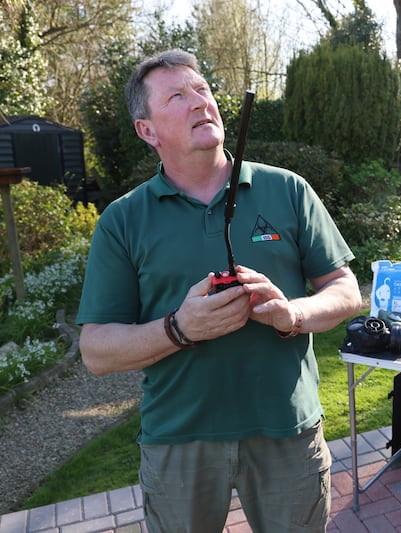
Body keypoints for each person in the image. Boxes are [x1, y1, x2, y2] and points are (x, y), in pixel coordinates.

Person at [77, 49, 362, 532]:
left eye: (203, 90)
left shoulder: (287, 190)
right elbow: (96, 351)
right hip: (178, 442)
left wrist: (291, 314)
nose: (199, 102)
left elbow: (346, 290)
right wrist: (179, 328)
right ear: (147, 131)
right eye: (177, 96)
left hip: (287, 432)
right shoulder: (123, 221)